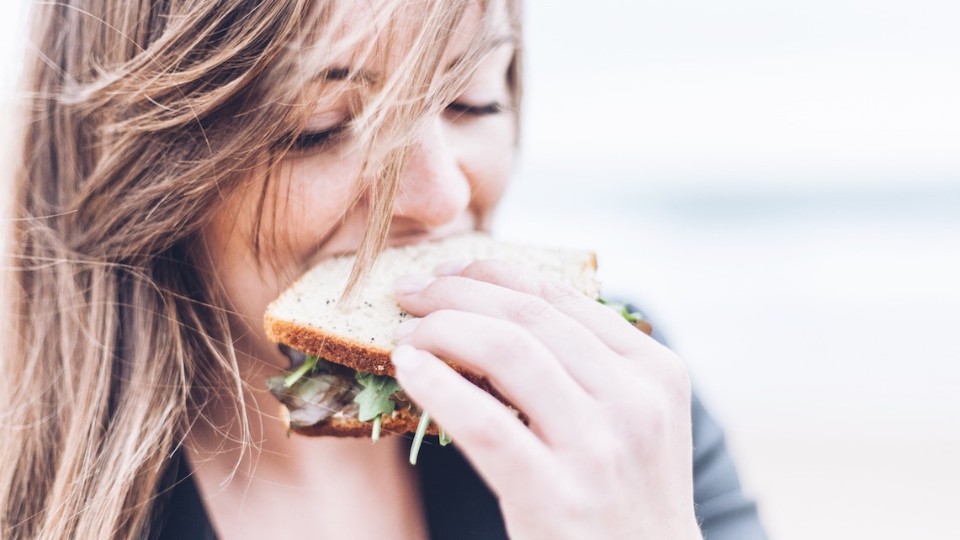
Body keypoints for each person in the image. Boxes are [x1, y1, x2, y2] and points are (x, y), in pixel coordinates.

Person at [0, 0, 767, 538]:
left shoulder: (616, 407)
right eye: (318, 128)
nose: (441, 198)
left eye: (472, 103)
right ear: (140, 166)